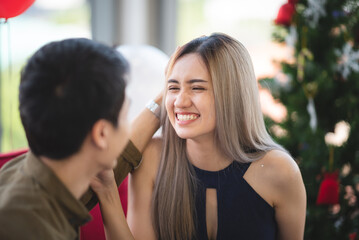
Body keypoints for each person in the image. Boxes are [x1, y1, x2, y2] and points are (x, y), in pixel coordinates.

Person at [94, 33, 307, 240]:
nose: (180, 101)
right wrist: (107, 194)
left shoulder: (280, 171)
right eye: (173, 88)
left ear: (232, 95)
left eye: (197, 87)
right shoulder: (152, 158)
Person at [0, 38, 161, 240]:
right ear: (101, 134)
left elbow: (115, 158)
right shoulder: (29, 229)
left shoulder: (26, 174)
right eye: (125, 116)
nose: (128, 125)